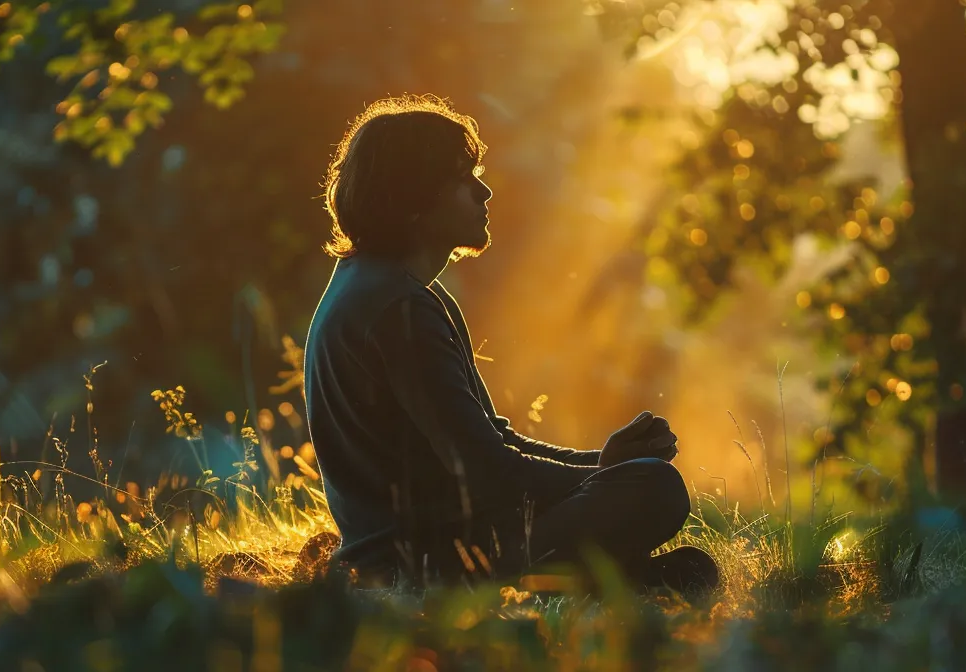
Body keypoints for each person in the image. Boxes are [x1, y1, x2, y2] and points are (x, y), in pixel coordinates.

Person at [301, 95, 720, 598]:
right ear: (414, 197)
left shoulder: (389, 290)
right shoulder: (398, 309)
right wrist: (613, 477)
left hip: (427, 550)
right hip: (425, 565)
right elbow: (490, 475)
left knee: (652, 501)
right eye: (463, 177)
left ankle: (619, 583)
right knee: (656, 487)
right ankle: (593, 581)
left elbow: (496, 443)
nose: (484, 192)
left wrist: (599, 463)